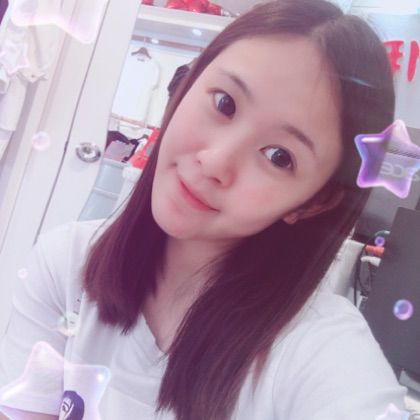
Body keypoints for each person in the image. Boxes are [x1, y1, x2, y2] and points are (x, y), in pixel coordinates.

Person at [0, 0, 410, 419]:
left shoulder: (316, 352)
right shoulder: (69, 265)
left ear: (312, 202)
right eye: (224, 104)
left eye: (279, 156)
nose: (215, 162)